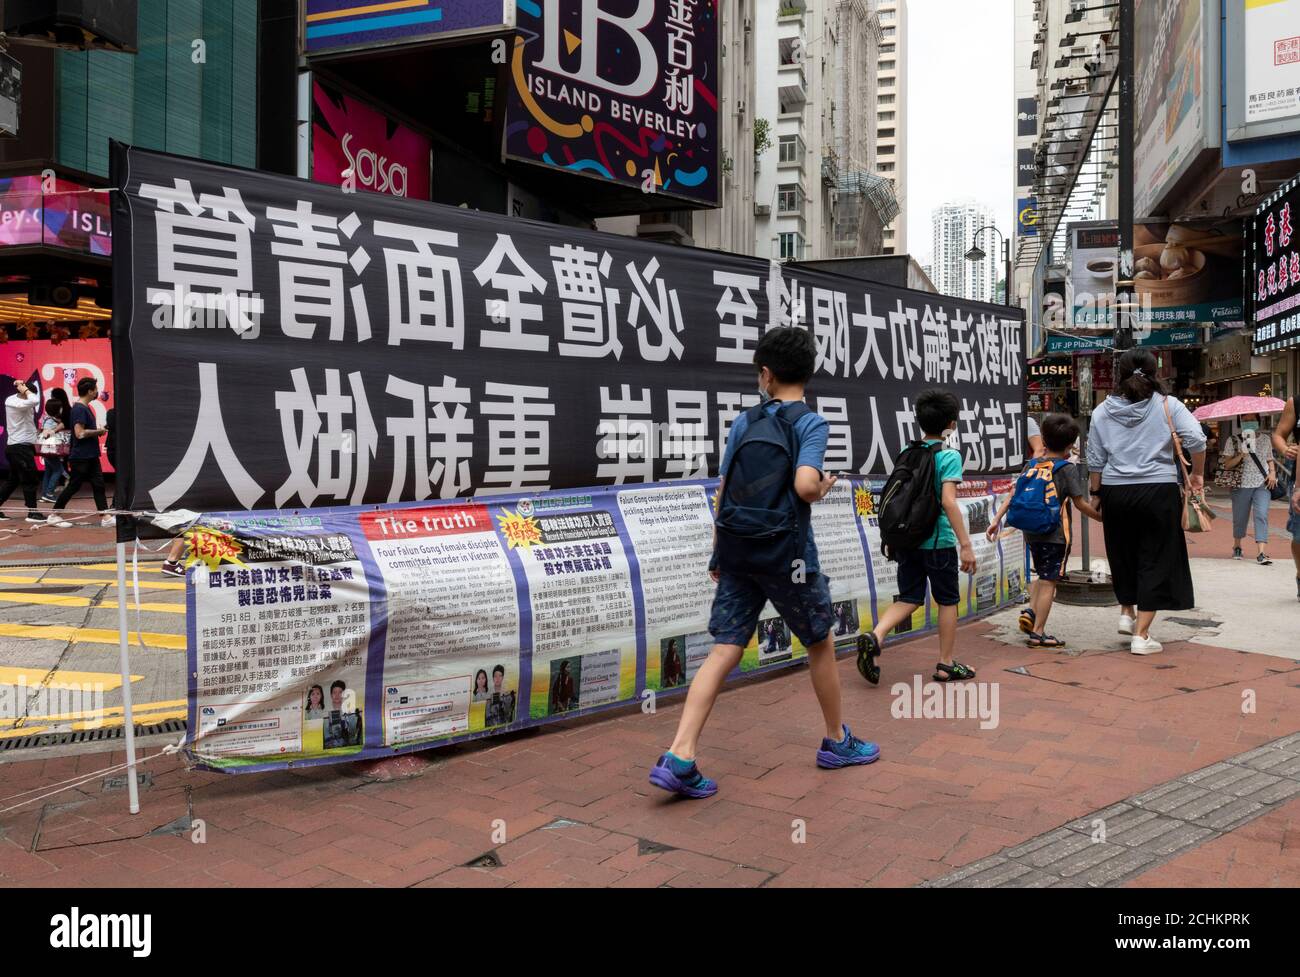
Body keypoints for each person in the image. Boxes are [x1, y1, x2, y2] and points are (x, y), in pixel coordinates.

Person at [649, 326, 878, 801]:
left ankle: (681, 753)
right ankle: (837, 741)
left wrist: (719, 552)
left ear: (766, 375)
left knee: (725, 646)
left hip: (738, 551)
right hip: (788, 556)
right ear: (807, 375)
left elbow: (724, 489)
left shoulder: (744, 422)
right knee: (819, 641)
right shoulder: (810, 423)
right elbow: (804, 487)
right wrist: (824, 486)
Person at [1086, 349, 1206, 655]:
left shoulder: (1101, 412)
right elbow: (1197, 440)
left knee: (1122, 553)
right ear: (1156, 371)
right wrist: (1197, 476)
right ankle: (1142, 635)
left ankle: (1127, 612)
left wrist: (1097, 494)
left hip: (1115, 491)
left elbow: (1096, 458)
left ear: (1119, 374)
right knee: (1157, 557)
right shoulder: (1168, 405)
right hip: (1158, 490)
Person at [857, 389, 979, 685]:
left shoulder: (907, 452)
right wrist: (966, 545)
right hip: (938, 541)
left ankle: (876, 635)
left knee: (910, 597)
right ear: (951, 424)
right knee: (948, 600)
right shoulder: (949, 456)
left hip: (908, 539)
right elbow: (948, 502)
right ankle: (946, 665)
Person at [987, 413, 1102, 649]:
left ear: (1045, 440)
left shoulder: (1032, 464)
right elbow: (1080, 504)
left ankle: (1031, 611)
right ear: (1070, 445)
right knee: (1050, 580)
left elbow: (1013, 494)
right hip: (1054, 533)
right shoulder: (1066, 469)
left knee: (1041, 573)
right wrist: (1100, 518)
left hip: (1031, 531)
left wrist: (997, 519)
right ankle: (1038, 632)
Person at [49, 377, 112, 528]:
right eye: (96, 389)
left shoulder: (83, 408)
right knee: (74, 486)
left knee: (98, 484)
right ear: (90, 391)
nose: (97, 392)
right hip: (81, 456)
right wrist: (99, 431)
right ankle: (54, 514)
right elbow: (79, 433)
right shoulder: (79, 409)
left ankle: (106, 517)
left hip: (90, 455)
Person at [1220, 413, 1277, 564]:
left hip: (1262, 484)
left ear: (1258, 422)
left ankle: (1261, 553)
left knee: (1261, 515)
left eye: (1252, 420)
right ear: (1240, 423)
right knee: (1240, 518)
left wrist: (1272, 473)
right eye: (1245, 421)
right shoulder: (1233, 440)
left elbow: (1269, 458)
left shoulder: (1265, 439)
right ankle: (1237, 546)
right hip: (1240, 485)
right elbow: (1227, 464)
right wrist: (1242, 455)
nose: (1249, 423)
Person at [0, 379, 46, 523]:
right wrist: (24, 388)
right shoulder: (14, 401)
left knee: (13, 480)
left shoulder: (21, 402)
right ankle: (32, 513)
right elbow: (35, 400)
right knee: (30, 479)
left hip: (21, 447)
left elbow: (27, 420)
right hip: (19, 448)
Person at [1271, 396, 1299, 600]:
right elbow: (1279, 435)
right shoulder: (1296, 403)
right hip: (1299, 476)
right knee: (1298, 534)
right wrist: (1285, 449)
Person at [38, 389, 71, 502]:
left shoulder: (49, 419)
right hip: (51, 450)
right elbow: (47, 433)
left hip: (48, 451)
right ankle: (49, 493)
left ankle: (44, 493)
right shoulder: (50, 421)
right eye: (60, 408)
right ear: (57, 410)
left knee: (48, 471)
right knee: (57, 470)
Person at [323, 679, 362, 748]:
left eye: (340, 692)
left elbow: (355, 734)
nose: (337, 695)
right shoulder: (325, 714)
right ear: (331, 695)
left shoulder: (351, 712)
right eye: (334, 692)